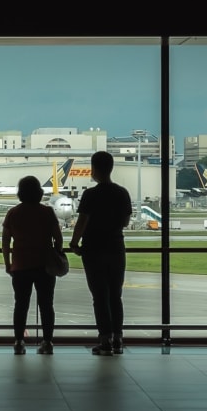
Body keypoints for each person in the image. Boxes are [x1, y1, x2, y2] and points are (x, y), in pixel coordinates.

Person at [69, 150, 132, 356]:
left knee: (99, 296)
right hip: (116, 247)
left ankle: (104, 340)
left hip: (93, 249)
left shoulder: (90, 195)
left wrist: (74, 242)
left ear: (94, 169)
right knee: (116, 296)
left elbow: (82, 221)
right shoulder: (122, 193)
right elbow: (125, 222)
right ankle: (118, 339)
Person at [1, 176, 63, 355]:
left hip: (20, 266)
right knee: (46, 305)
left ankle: (19, 342)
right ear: (39, 192)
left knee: (21, 305)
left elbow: (5, 242)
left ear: (20, 193)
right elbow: (58, 239)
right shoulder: (47, 212)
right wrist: (55, 254)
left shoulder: (13, 213)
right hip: (45, 266)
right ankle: (48, 342)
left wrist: (8, 264)